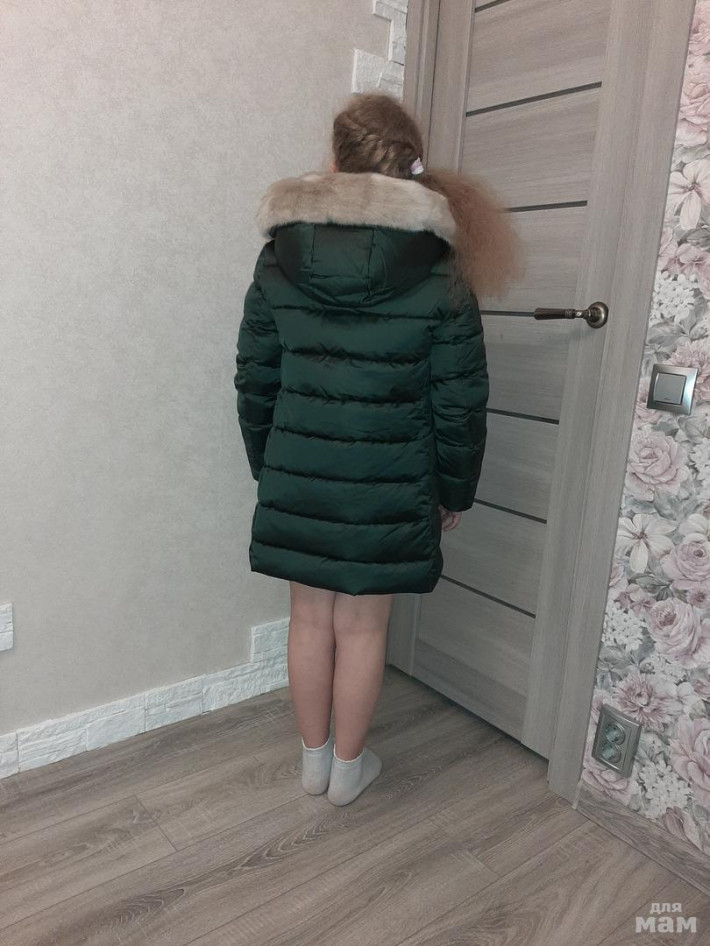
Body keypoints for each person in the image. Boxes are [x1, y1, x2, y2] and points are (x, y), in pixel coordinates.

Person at [234, 91, 522, 806]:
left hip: (299, 473)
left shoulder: (279, 258)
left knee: (309, 618)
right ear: (409, 167)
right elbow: (460, 398)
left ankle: (312, 763)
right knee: (363, 628)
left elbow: (254, 377)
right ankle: (348, 772)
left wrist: (269, 465)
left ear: (335, 164)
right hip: (393, 480)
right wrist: (454, 488)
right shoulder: (441, 268)